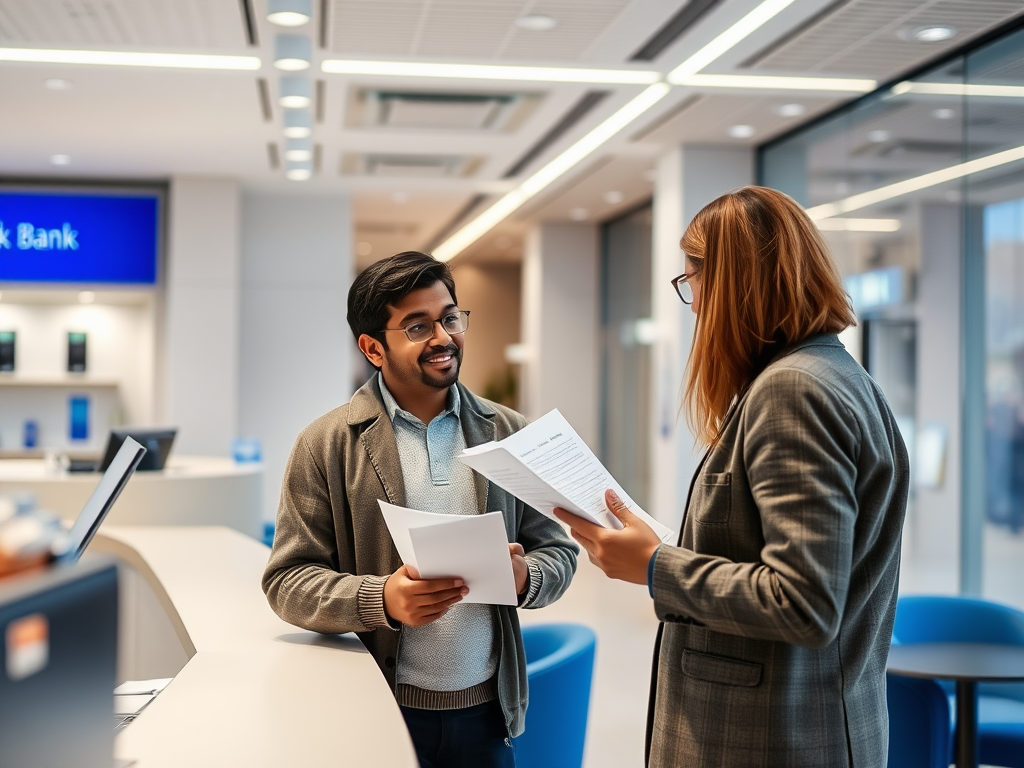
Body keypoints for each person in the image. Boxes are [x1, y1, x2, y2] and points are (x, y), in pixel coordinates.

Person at [556, 187, 909, 767]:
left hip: (772, 737)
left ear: (734, 283)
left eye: (692, 280)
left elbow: (804, 602)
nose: (692, 304)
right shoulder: (836, 374)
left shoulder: (793, 390)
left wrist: (654, 565)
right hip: (803, 722)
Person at [262, 250, 577, 768]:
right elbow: (287, 581)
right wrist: (380, 598)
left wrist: (526, 578)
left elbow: (558, 552)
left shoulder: (511, 432)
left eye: (450, 317)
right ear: (372, 348)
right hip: (376, 711)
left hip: (487, 713)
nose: (444, 337)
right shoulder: (325, 444)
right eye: (417, 326)